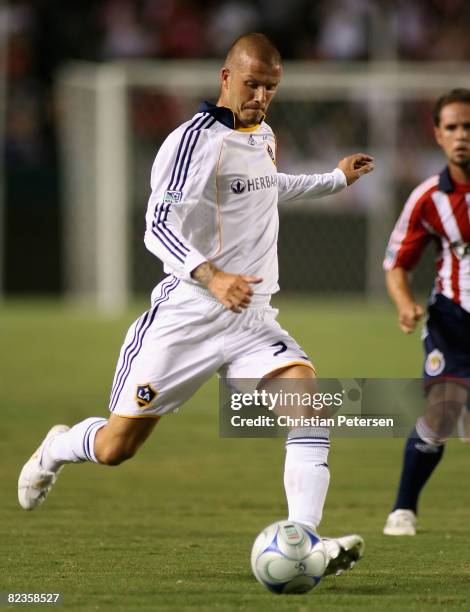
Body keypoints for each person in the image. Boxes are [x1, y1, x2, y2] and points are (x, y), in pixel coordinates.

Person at [18, 33, 374, 574]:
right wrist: (212, 278)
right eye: (251, 83)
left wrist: (332, 179)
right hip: (186, 317)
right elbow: (157, 226)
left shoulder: (263, 135)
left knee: (311, 409)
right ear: (226, 78)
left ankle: (303, 542)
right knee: (117, 448)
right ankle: (59, 448)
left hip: (251, 320)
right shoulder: (192, 142)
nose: (259, 96)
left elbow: (267, 187)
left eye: (270, 88)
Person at [383, 88, 470, 536]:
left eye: (468, 127)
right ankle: (403, 510)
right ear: (437, 135)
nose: (461, 136)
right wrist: (404, 304)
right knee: (443, 412)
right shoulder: (427, 198)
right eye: (452, 127)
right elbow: (397, 262)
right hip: (452, 319)